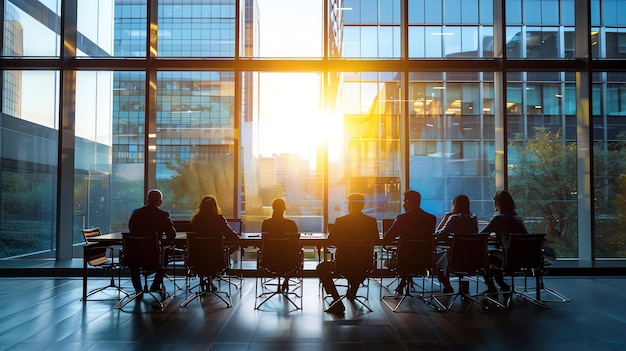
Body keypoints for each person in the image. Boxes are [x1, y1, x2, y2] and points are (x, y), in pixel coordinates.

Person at [317, 193, 379, 315]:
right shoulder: (371, 221)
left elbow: (330, 241)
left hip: (342, 265)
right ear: (362, 205)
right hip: (364, 264)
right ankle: (352, 293)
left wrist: (343, 243)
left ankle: (337, 300)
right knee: (357, 263)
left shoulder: (341, 221)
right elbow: (376, 240)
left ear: (350, 205)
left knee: (321, 267)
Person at [382, 190, 437, 294]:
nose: (403, 204)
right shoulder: (431, 219)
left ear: (407, 201)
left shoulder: (402, 218)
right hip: (424, 259)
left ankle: (401, 285)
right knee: (413, 257)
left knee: (405, 258)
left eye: (404, 201)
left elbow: (388, 237)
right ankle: (402, 285)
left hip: (404, 260)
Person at [127, 189, 176, 293]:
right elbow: (172, 235)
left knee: (135, 261)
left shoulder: (136, 213)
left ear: (147, 200)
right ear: (160, 201)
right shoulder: (163, 215)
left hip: (134, 255)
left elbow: (130, 229)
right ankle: (155, 284)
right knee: (165, 254)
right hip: (153, 255)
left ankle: (138, 289)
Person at [480, 190, 528, 294]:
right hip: (525, 258)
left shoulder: (498, 218)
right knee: (495, 258)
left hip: (510, 259)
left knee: (484, 258)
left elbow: (481, 235)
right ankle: (503, 286)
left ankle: (493, 288)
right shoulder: (517, 217)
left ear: (498, 203)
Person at [189, 195, 240, 291]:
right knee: (233, 247)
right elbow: (229, 234)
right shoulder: (219, 219)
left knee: (205, 257)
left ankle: (205, 278)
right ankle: (212, 276)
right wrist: (237, 238)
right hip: (216, 257)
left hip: (198, 257)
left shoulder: (195, 219)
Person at [434, 194, 479, 293]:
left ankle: (447, 286)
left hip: (455, 257)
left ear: (455, 205)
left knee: (434, 259)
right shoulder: (473, 219)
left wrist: (445, 218)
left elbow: (439, 234)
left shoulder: (454, 218)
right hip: (471, 257)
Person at [261, 198, 299, 291]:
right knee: (288, 253)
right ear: (284, 208)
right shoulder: (291, 224)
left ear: (273, 208)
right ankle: (287, 278)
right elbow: (296, 246)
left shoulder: (266, 224)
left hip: (269, 261)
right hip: (289, 263)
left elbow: (262, 243)